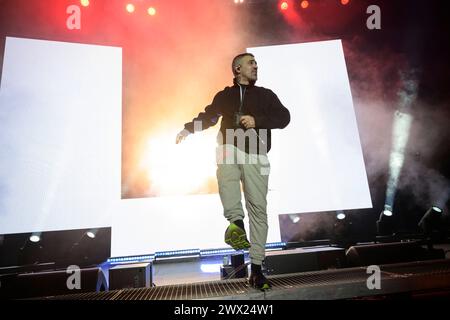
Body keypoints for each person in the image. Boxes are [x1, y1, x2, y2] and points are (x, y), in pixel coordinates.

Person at [176, 53, 290, 290]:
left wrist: (256, 120)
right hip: (229, 145)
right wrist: (188, 130)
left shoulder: (266, 95)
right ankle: (236, 222)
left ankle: (256, 269)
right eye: (251, 63)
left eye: (256, 63)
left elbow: (284, 117)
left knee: (258, 209)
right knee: (226, 174)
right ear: (237, 69)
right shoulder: (224, 96)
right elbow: (208, 118)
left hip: (257, 152)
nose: (256, 66)